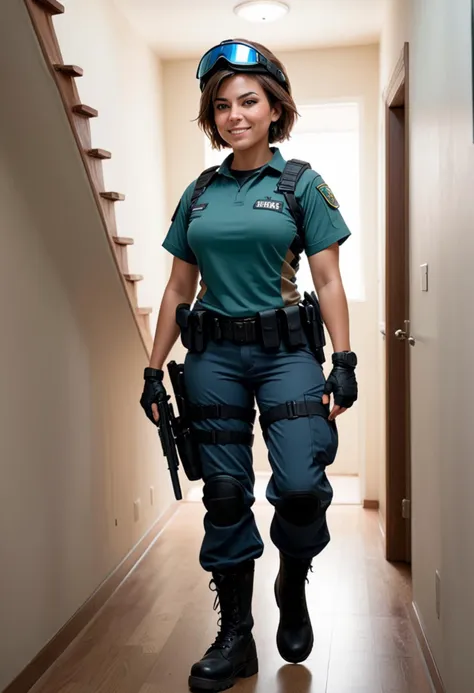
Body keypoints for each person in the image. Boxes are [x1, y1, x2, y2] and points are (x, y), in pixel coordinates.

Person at [140, 39, 358, 692]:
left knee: (297, 482)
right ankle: (236, 634)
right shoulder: (198, 193)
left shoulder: (303, 184)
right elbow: (179, 289)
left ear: (274, 108)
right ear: (213, 116)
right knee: (226, 493)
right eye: (222, 105)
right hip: (212, 358)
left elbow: (330, 277)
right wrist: (154, 369)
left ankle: (293, 580)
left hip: (287, 354)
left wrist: (344, 360)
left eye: (249, 101)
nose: (235, 114)